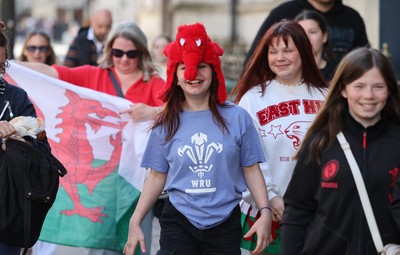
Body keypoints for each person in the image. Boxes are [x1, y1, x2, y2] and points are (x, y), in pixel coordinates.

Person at [123, 22, 273, 255]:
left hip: (225, 223)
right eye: (184, 68)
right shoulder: (166, 122)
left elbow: (251, 169)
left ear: (214, 72)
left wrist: (265, 211)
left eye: (202, 66)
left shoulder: (238, 117)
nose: (194, 74)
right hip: (179, 221)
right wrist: (135, 220)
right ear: (176, 76)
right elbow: (155, 176)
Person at [18, 21, 165, 255]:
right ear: (109, 52)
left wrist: (152, 111)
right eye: (118, 53)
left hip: (137, 179)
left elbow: (178, 109)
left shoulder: (154, 83)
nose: (124, 59)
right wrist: (9, 64)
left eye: (131, 53)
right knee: (100, 242)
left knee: (137, 239)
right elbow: (51, 73)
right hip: (104, 182)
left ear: (142, 53)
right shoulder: (93, 75)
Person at [280, 47, 400, 254]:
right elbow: (298, 211)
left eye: (378, 86)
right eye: (359, 86)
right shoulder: (320, 142)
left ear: (389, 90)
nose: (368, 96)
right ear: (343, 89)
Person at [231, 20, 328, 254]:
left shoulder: (326, 96)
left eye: (287, 50)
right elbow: (245, 157)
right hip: (264, 213)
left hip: (318, 213)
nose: (279, 57)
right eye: (273, 51)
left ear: (303, 51)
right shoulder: (252, 99)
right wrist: (270, 199)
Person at [0, 20, 51, 255]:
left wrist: (19, 138)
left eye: (0, 67)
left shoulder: (16, 96)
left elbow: (42, 152)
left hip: (8, 210)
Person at [245, 0, 369, 65]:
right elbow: (254, 59)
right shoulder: (283, 13)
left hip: (340, 99)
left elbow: (364, 63)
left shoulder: (353, 18)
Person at [294, 10, 337, 82]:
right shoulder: (288, 71)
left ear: (324, 36)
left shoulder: (337, 72)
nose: (306, 37)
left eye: (312, 32)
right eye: (301, 32)